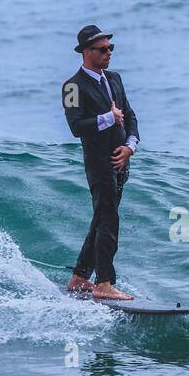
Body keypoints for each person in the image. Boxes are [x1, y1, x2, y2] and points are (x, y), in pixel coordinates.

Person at [61, 25, 140, 300]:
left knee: (101, 219)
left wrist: (130, 146)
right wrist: (108, 117)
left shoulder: (115, 79)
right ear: (86, 52)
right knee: (109, 220)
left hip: (121, 163)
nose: (109, 53)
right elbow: (75, 126)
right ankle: (104, 283)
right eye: (102, 49)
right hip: (98, 164)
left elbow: (129, 115)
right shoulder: (72, 86)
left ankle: (80, 277)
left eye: (111, 49)